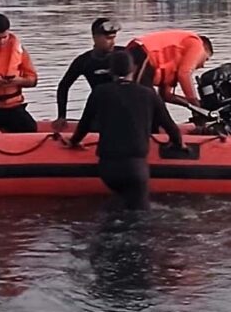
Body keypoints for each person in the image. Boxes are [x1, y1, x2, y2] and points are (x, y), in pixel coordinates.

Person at [68, 51, 184, 210]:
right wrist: (178, 144)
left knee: (120, 204)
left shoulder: (100, 92)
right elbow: (171, 128)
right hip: (135, 166)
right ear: (133, 69)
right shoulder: (148, 94)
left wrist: (73, 142)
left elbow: (84, 126)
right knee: (139, 213)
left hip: (108, 168)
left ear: (111, 71)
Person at [52, 18, 125, 131]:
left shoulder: (124, 55)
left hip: (124, 109)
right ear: (95, 37)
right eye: (108, 38)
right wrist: (62, 116)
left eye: (114, 38)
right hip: (99, 110)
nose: (113, 42)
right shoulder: (84, 61)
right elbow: (63, 86)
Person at [127, 30, 213, 108]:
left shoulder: (173, 61)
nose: (203, 66)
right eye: (206, 59)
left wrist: (195, 105)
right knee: (147, 101)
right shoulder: (197, 44)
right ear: (204, 48)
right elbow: (184, 74)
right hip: (143, 53)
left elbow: (166, 96)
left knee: (156, 107)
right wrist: (194, 101)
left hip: (141, 56)